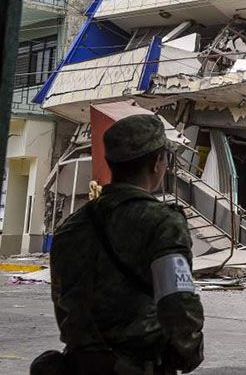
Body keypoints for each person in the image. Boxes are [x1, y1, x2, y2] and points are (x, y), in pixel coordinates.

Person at [40, 114, 204, 375]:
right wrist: (188, 352)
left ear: (111, 162)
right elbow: (177, 301)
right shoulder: (162, 223)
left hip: (78, 365)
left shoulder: (70, 228)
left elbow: (64, 303)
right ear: (157, 163)